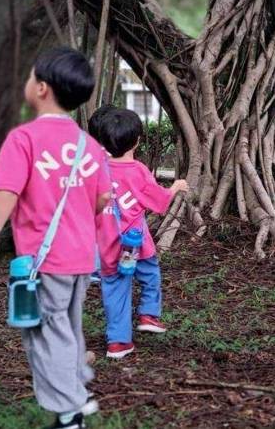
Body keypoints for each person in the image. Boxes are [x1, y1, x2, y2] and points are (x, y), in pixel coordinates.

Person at [0, 47, 112, 429]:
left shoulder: (25, 139)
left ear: (41, 88)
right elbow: (102, 199)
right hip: (82, 257)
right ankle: (75, 388)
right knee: (67, 326)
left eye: (30, 77)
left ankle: (71, 412)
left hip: (44, 260)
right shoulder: (89, 145)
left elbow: (6, 192)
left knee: (46, 333)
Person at [88, 105, 188, 360]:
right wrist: (175, 187)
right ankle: (148, 314)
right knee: (150, 274)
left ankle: (118, 343)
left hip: (108, 246)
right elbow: (159, 201)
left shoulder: (96, 170)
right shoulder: (139, 171)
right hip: (136, 246)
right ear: (136, 142)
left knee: (115, 290)